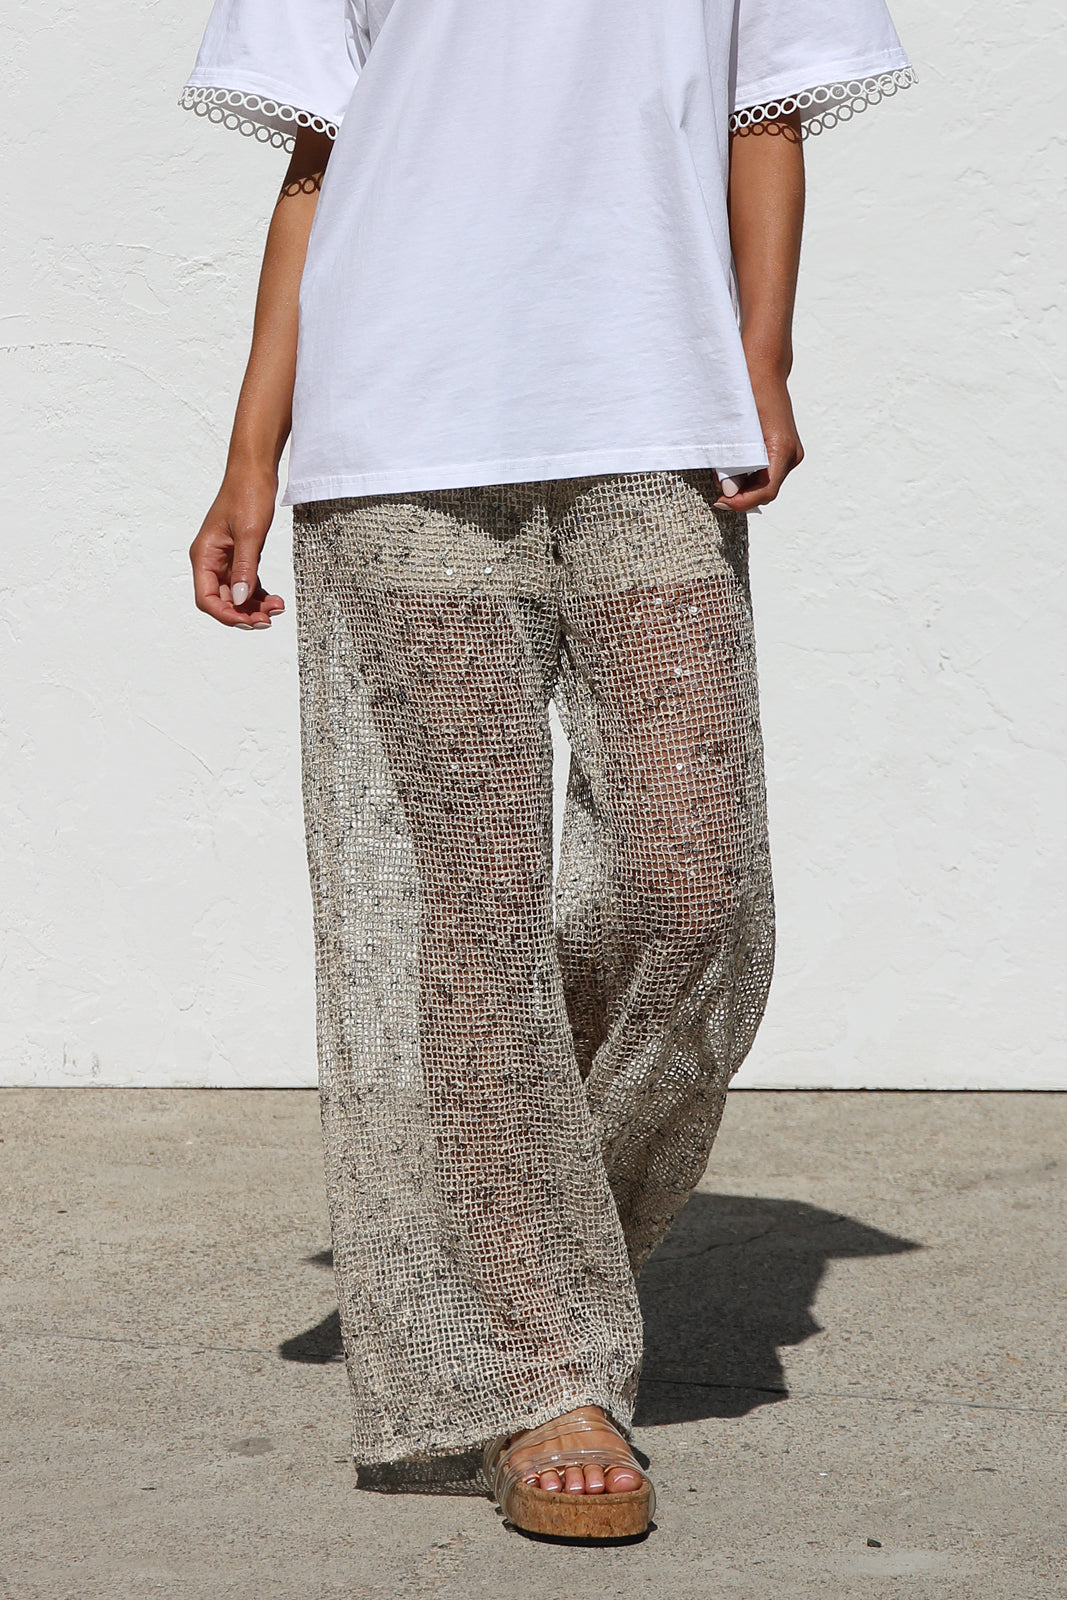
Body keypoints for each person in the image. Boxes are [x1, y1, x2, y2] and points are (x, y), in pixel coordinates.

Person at [182, 0, 912, 1540]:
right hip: (399, 430)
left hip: (655, 423)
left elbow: (764, 112)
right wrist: (251, 454)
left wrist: (762, 357)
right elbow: (319, 168)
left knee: (693, 893)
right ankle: (540, 1370)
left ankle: (510, 1231)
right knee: (478, 905)